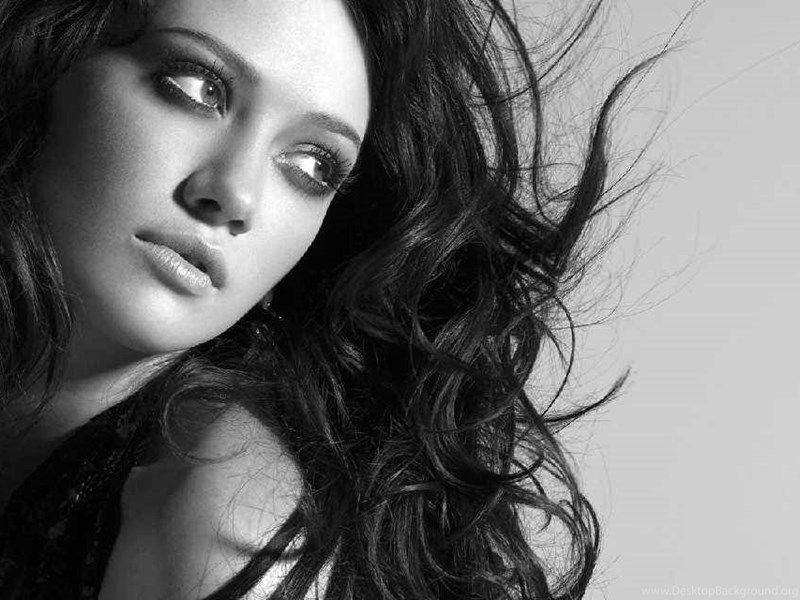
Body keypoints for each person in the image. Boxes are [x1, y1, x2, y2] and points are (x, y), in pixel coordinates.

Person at [0, 0, 656, 598]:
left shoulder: (227, 526)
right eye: (200, 88)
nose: (236, 195)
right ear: (46, 59)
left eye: (313, 165)